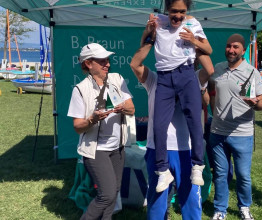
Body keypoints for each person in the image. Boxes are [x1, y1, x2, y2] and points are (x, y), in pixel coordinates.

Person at [130, 27, 211, 220]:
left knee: (191, 202)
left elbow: (209, 69)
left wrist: (195, 42)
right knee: (157, 201)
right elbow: (135, 64)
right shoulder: (155, 80)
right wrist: (150, 40)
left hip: (187, 150)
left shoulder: (194, 79)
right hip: (158, 150)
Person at [143, 0, 214, 192]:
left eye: (182, 12)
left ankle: (197, 166)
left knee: (194, 122)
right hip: (165, 78)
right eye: (174, 11)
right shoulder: (158, 21)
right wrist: (148, 30)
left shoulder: (192, 23)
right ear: (167, 9)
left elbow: (208, 50)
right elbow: (145, 42)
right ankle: (162, 171)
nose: (178, 16)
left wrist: (193, 40)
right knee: (158, 124)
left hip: (187, 74)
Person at [67, 43, 135, 220]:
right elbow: (77, 126)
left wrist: (122, 107)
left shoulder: (117, 79)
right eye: (102, 60)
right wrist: (92, 119)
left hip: (117, 148)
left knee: (114, 193)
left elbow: (131, 109)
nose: (107, 64)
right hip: (95, 150)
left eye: (108, 60)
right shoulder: (80, 89)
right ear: (88, 64)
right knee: (106, 195)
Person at [208, 33, 262, 220]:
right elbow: (211, 89)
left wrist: (255, 103)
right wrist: (214, 110)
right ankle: (220, 210)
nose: (231, 50)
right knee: (221, 174)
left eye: (235, 47)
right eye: (228, 46)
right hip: (217, 132)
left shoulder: (252, 72)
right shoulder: (217, 68)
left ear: (243, 50)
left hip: (242, 133)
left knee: (243, 175)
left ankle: (244, 207)